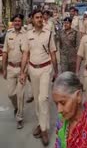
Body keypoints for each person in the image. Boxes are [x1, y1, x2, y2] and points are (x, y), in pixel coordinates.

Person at [20, 9, 58, 146]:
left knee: (44, 98)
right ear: (32, 20)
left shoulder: (48, 34)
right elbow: (25, 54)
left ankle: (44, 130)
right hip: (32, 70)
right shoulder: (28, 34)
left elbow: (53, 53)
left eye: (41, 17)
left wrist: (56, 71)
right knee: (37, 100)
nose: (40, 19)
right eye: (37, 17)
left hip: (45, 69)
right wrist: (22, 72)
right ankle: (40, 123)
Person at [2, 14, 26, 129]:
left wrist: (23, 71)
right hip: (11, 68)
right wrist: (3, 68)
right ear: (13, 22)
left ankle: (19, 117)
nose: (17, 22)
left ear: (22, 22)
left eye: (19, 21)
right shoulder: (8, 34)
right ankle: (17, 107)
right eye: (15, 21)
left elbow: (27, 53)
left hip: (21, 68)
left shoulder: (25, 35)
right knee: (11, 94)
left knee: (20, 95)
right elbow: (5, 52)